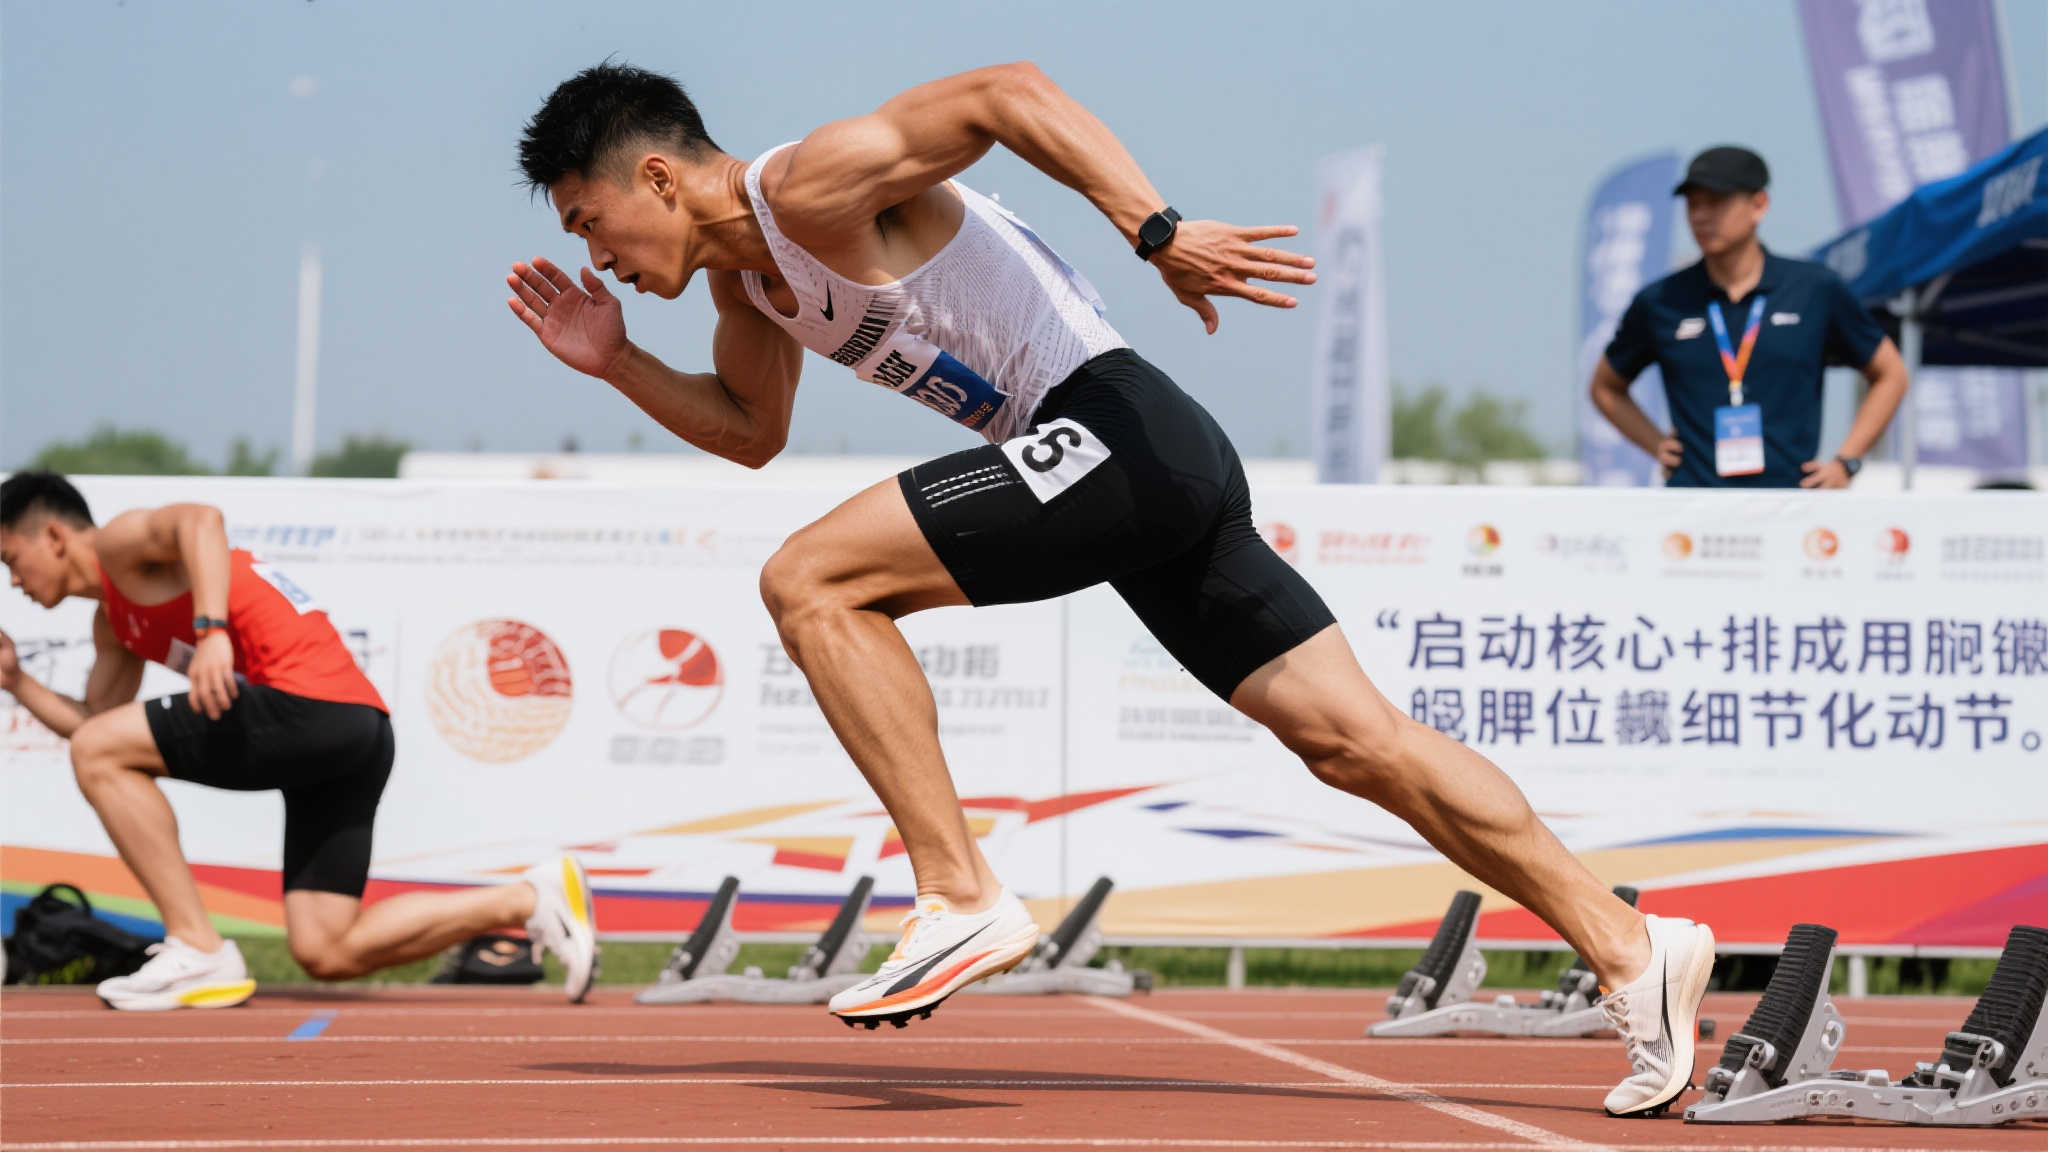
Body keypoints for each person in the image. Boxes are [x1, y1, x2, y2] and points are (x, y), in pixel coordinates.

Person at [507, 61, 1711, 1115]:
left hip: (1116, 433)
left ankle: (958, 892)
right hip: (1127, 465)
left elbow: (1005, 92)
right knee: (1356, 744)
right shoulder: (749, 289)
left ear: (657, 177)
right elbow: (749, 430)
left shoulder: (808, 188)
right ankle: (1629, 945)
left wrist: (1157, 229)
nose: (595, 256)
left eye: (589, 220)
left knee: (809, 580)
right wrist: (617, 363)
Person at [0, 472, 598, 1009]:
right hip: (355, 731)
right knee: (326, 948)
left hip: (310, 707)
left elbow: (201, 520)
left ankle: (198, 946)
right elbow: (94, 727)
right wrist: (15, 680)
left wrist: (211, 632)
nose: (14, 581)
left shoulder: (118, 543)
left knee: (100, 749)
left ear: (54, 537)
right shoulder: (113, 624)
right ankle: (529, 898)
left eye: (11, 558)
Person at [1592, 145, 1909, 488]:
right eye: (1693, 204)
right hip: (1693, 502)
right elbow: (1605, 387)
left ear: (1759, 205)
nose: (1700, 216)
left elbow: (1891, 374)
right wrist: (1655, 444)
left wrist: (1847, 462)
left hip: (1791, 501)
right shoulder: (1661, 300)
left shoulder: (1814, 288)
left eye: (1716, 202)